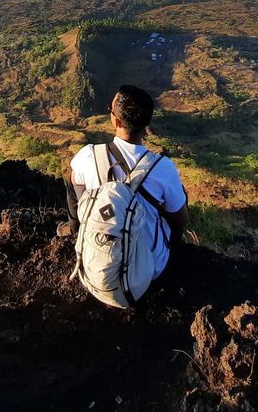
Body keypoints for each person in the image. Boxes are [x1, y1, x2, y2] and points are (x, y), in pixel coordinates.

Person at [61, 84, 189, 280]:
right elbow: (180, 218)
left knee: (72, 177)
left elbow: (74, 186)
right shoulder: (163, 168)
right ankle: (176, 256)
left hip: (96, 265)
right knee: (178, 195)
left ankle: (75, 230)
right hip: (150, 269)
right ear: (147, 124)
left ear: (116, 121)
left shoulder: (87, 156)